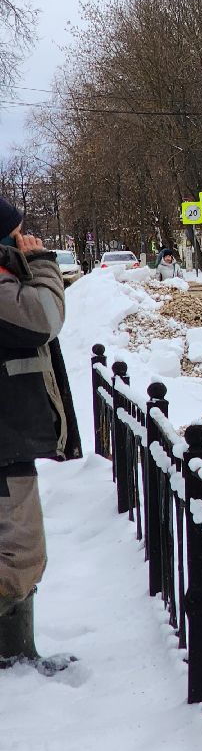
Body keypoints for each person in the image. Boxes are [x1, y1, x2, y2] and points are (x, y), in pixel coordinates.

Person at [0, 196, 82, 673]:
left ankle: (14, 653)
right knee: (19, 557)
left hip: (9, 437)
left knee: (16, 553)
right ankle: (12, 656)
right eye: (15, 229)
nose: (22, 235)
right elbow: (42, 320)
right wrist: (42, 263)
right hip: (5, 441)